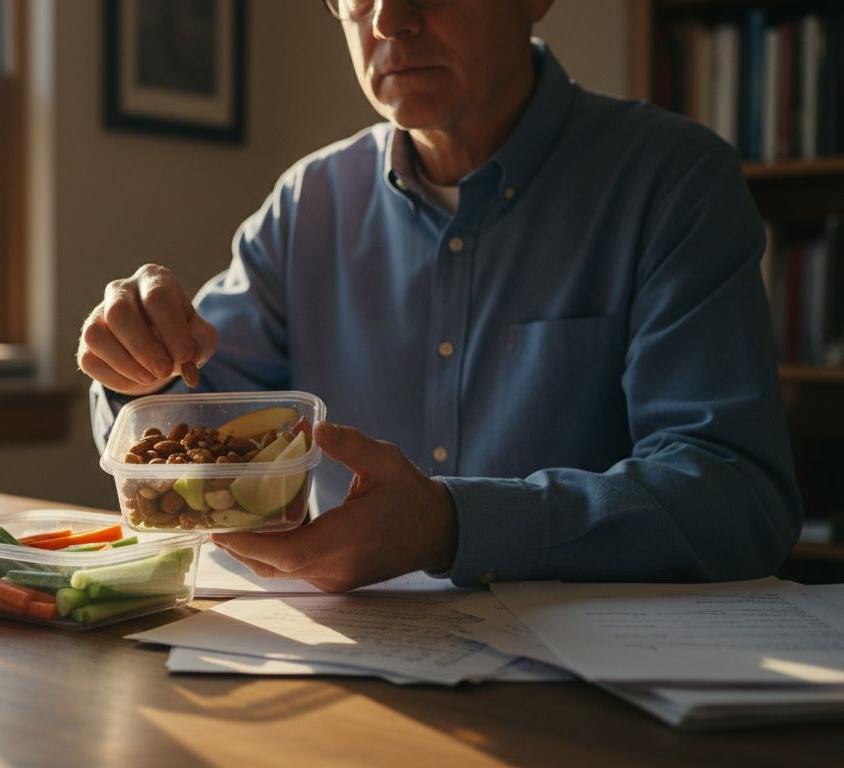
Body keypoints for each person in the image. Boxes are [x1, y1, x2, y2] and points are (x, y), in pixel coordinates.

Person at [76, 0, 802, 591]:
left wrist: (454, 524)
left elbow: (736, 497)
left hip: (595, 697)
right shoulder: (308, 204)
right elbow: (192, 411)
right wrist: (141, 361)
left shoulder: (671, 183)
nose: (389, 18)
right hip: (350, 664)